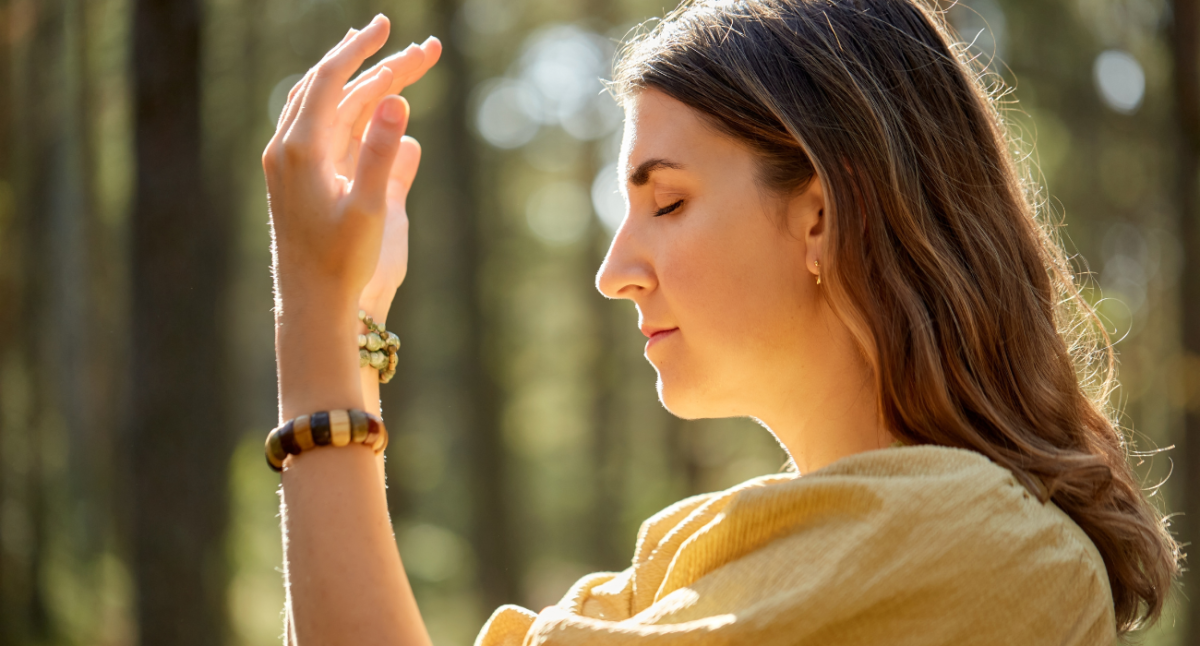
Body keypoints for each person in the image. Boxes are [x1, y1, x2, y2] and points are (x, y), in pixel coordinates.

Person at [260, 0, 1181, 644]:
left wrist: (315, 322)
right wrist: (346, 324)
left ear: (822, 216)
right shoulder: (702, 561)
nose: (614, 273)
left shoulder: (979, 546)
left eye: (666, 204)